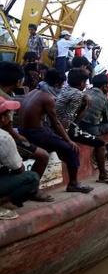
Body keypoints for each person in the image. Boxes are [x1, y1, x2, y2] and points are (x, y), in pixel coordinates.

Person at [18, 69, 93, 193]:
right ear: (58, 85)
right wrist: (69, 141)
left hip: (25, 130)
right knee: (72, 150)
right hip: (36, 133)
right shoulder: (47, 97)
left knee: (59, 143)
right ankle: (73, 183)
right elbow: (57, 123)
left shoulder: (34, 92)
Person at [0, 61, 52, 202]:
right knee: (43, 156)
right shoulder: (6, 99)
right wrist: (21, 138)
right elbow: (9, 130)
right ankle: (32, 189)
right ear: (18, 82)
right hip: (4, 137)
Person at [56, 69, 108, 186]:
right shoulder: (78, 95)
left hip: (62, 125)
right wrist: (67, 139)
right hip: (66, 129)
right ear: (81, 83)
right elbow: (69, 122)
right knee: (99, 144)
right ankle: (102, 174)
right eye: (85, 82)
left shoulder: (65, 89)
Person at [0, 98, 40, 218]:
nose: (11, 116)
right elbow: (18, 169)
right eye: (9, 114)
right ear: (3, 118)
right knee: (32, 177)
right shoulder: (4, 138)